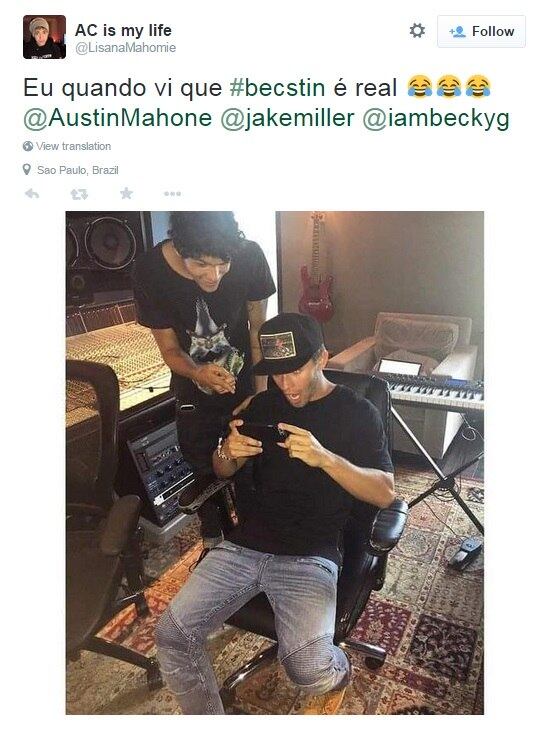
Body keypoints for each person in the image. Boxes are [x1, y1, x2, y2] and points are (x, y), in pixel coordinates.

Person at [155, 312, 395, 715]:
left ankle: (338, 670)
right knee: (171, 635)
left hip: (311, 553)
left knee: (309, 670)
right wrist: (226, 452)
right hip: (244, 545)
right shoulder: (261, 406)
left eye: (295, 370)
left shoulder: (357, 414)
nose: (285, 384)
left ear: (321, 358)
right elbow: (222, 470)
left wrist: (326, 458)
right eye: (277, 373)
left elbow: (386, 493)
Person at [133, 212, 276, 552]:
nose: (213, 277)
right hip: (192, 394)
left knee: (250, 464)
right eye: (200, 265)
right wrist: (198, 372)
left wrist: (261, 394)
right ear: (179, 247)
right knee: (202, 468)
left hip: (245, 385)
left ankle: (252, 538)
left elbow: (259, 331)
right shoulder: (150, 271)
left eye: (223, 264)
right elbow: (170, 349)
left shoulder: (249, 255)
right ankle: (213, 538)